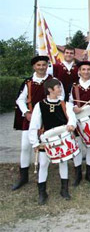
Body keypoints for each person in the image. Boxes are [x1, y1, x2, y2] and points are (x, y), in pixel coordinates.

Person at [12, 56, 60, 191]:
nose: (41, 67)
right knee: (25, 146)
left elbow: (60, 98)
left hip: (48, 120)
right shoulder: (28, 82)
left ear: (47, 66)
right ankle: (23, 176)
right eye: (38, 65)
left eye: (44, 65)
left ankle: (42, 173)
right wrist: (26, 112)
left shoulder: (53, 81)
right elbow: (20, 100)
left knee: (45, 148)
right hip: (30, 119)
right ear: (34, 67)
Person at [28, 78, 77, 204]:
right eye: (58, 87)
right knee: (43, 164)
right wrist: (35, 142)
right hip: (46, 140)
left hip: (62, 139)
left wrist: (71, 125)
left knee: (63, 163)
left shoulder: (66, 104)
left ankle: (64, 190)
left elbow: (72, 118)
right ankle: (42, 193)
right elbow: (34, 125)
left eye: (60, 87)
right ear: (50, 90)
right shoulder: (40, 105)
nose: (60, 89)